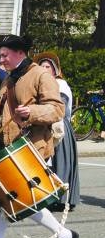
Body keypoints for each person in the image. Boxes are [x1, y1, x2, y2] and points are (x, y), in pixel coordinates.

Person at [0, 34, 78, 238]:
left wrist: (32, 112)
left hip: (31, 146)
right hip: (8, 146)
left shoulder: (40, 75)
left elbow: (57, 109)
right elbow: (3, 113)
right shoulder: (10, 77)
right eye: (0, 55)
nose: (1, 59)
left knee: (28, 203)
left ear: (20, 53)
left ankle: (66, 236)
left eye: (5, 54)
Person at [34, 52, 80, 210]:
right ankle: (50, 196)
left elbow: (59, 107)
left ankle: (62, 198)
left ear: (54, 70)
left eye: (48, 67)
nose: (45, 69)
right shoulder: (42, 84)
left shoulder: (60, 85)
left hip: (59, 126)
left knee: (61, 162)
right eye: (42, 67)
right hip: (44, 126)